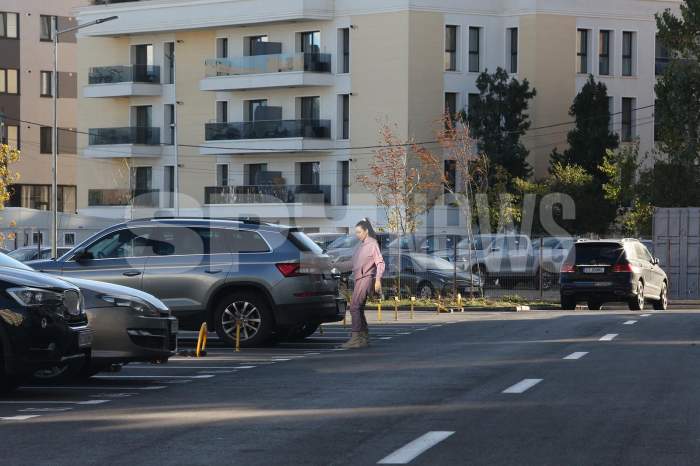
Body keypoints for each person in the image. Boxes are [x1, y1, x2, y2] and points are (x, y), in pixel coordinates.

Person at [336, 219, 385, 349]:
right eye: (356, 232)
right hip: (360, 279)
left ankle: (356, 338)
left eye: (359, 232)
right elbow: (352, 264)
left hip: (366, 278)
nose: (357, 235)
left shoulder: (372, 244)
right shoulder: (361, 246)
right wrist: (334, 265)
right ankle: (363, 337)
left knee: (354, 307)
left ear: (366, 231)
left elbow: (380, 263)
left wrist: (378, 279)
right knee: (358, 308)